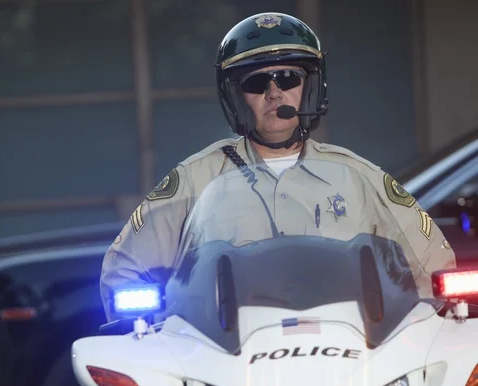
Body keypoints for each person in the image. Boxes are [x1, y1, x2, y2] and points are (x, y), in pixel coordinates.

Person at [99, 12, 456, 321]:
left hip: (350, 357)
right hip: (230, 363)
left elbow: (433, 267)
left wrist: (413, 336)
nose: (275, 93)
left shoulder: (357, 176)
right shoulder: (196, 178)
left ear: (308, 87)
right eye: (256, 82)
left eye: (288, 78)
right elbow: (125, 272)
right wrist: (169, 339)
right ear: (237, 96)